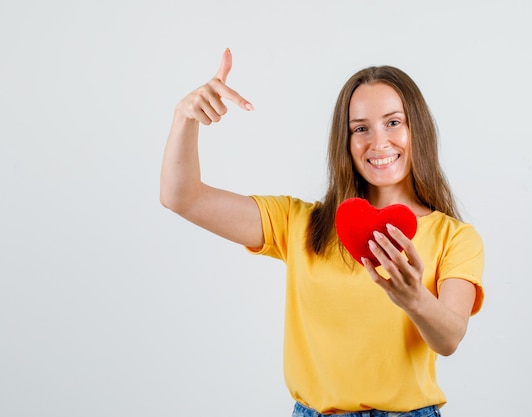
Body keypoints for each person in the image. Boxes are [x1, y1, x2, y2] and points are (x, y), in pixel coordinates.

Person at [160, 48, 484, 417]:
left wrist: (414, 299)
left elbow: (450, 338)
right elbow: (181, 197)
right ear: (344, 142)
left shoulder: (456, 237)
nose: (378, 142)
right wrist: (183, 118)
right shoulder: (298, 223)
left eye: (394, 122)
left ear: (417, 129)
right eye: (360, 128)